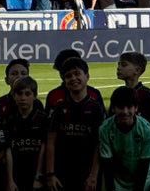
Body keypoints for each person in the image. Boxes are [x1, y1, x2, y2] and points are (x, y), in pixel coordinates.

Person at [45, 57, 106, 191]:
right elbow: (50, 141)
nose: (73, 78)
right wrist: (50, 174)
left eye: (77, 73)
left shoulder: (96, 108)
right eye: (68, 76)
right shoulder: (59, 108)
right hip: (62, 174)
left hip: (88, 174)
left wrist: (94, 175)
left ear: (87, 76)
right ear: (64, 81)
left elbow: (100, 143)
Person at [115, 53, 150, 171]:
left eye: (123, 65)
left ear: (137, 70)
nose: (118, 68)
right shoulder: (118, 94)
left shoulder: (148, 94)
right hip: (123, 155)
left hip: (146, 154)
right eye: (118, 64)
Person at [99, 87, 150, 191]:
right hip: (118, 180)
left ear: (136, 108)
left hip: (142, 179)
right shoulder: (105, 129)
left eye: (129, 107)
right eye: (120, 107)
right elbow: (107, 164)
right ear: (113, 108)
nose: (125, 112)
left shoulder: (146, 129)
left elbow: (145, 164)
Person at [4, 75, 47, 191]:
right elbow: (7, 150)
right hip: (16, 175)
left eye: (27, 94)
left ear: (35, 96)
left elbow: (44, 147)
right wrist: (10, 180)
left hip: (37, 175)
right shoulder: (9, 120)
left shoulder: (43, 119)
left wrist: (38, 176)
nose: (23, 98)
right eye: (19, 94)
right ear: (13, 96)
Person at [0, 58, 30, 123]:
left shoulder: (36, 104)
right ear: (7, 80)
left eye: (23, 73)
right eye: (14, 74)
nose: (19, 76)